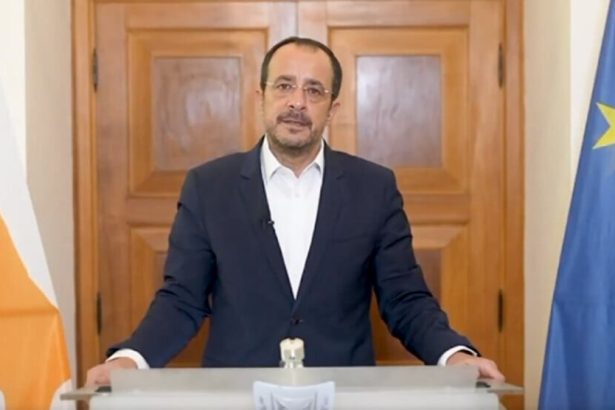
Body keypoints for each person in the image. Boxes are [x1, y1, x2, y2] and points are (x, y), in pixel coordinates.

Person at [86, 36, 504, 386]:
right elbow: (182, 300)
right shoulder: (209, 187)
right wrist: (131, 360)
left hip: (343, 395)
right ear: (261, 97)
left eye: (314, 90)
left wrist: (454, 354)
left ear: (332, 108)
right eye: (284, 86)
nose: (297, 103)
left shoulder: (373, 188)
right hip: (238, 396)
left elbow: (405, 299)